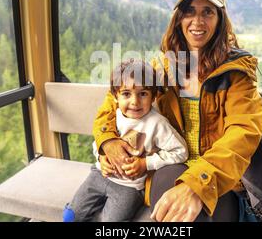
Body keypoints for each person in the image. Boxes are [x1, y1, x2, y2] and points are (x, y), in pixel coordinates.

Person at [93, 0, 262, 222]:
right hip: (171, 166)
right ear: (179, 19)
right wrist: (107, 140)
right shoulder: (161, 69)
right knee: (167, 184)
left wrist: (198, 183)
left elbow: (243, 133)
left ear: (220, 21)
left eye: (208, 12)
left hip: (218, 179)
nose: (198, 21)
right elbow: (112, 104)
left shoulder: (236, 76)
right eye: (189, 12)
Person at [67, 59, 188, 222]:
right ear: (115, 96)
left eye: (143, 93)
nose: (134, 102)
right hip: (100, 175)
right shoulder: (113, 117)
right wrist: (101, 157)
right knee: (70, 215)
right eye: (126, 94)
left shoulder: (157, 124)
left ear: (153, 96)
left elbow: (181, 151)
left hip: (130, 187)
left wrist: (146, 164)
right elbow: (97, 142)